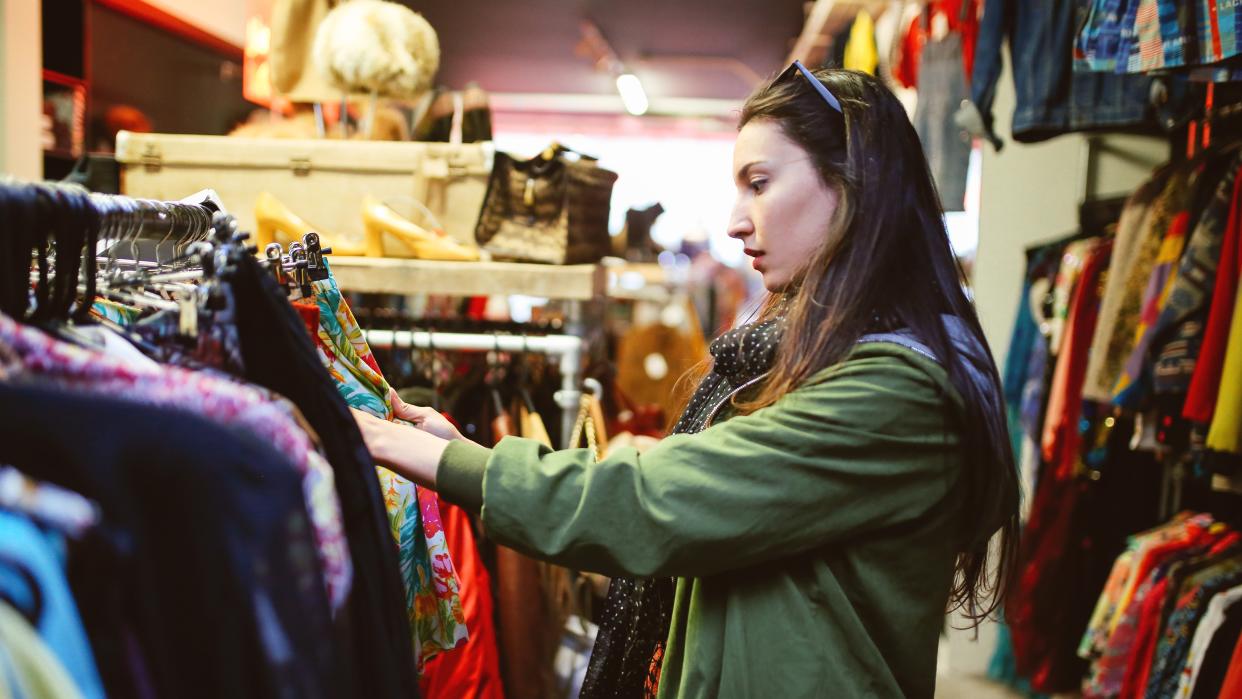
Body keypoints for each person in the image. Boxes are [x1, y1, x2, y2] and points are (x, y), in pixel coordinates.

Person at [352, 63, 1020, 699]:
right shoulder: (832, 359)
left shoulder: (892, 392)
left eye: (759, 183)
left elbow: (651, 504)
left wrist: (445, 460)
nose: (735, 220)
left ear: (852, 184)